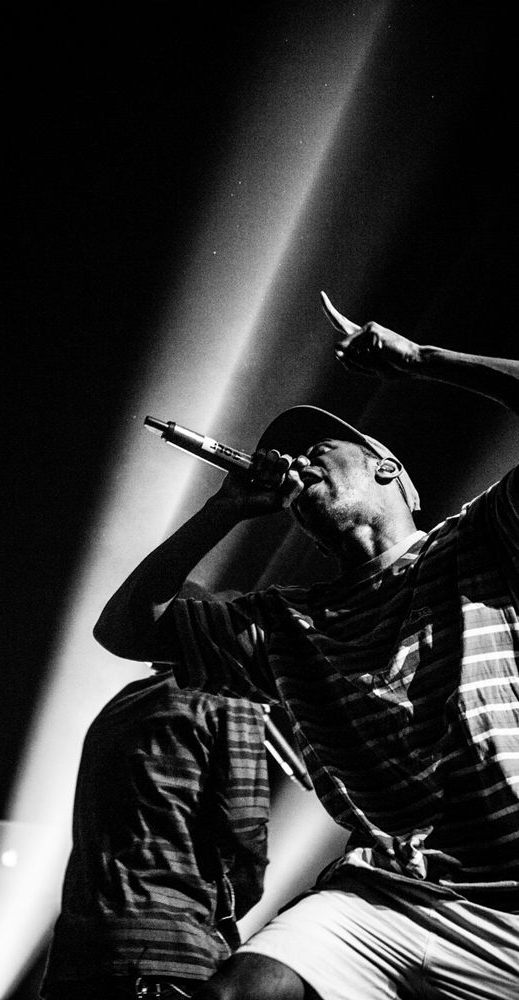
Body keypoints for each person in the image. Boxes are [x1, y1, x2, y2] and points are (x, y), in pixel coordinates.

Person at [93, 291, 519, 999]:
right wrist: (223, 509)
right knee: (245, 990)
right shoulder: (283, 623)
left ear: (390, 472)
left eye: (318, 450)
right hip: (393, 892)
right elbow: (126, 628)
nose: (294, 463)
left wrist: (421, 361)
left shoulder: (474, 543)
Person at [40, 597, 272, 1000]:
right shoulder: (227, 696)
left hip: (77, 959)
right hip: (166, 953)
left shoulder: (117, 706)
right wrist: (231, 913)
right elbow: (245, 830)